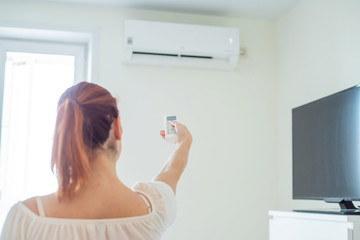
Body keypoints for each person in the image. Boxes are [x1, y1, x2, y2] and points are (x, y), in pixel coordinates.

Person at [0, 82, 192, 240]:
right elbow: (170, 174)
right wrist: (184, 143)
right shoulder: (154, 209)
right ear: (116, 127)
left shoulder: (26, 219)